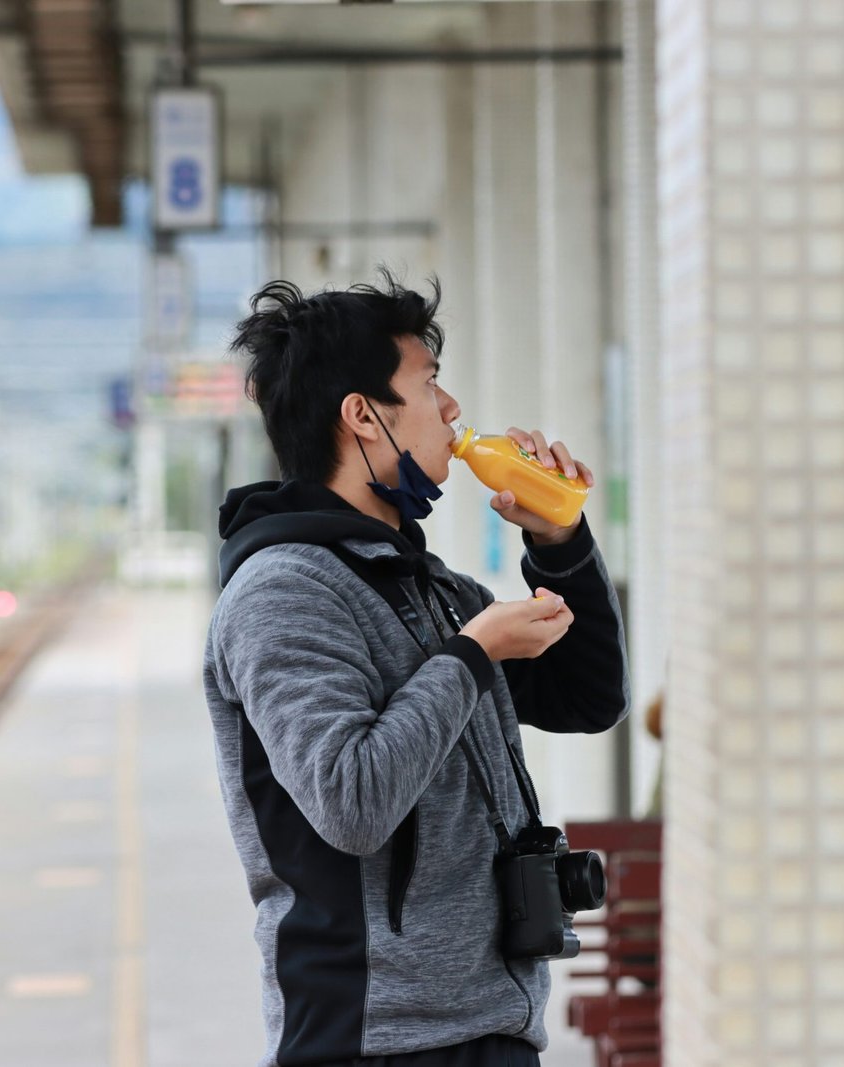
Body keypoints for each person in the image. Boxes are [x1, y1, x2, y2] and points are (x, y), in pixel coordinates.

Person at [204, 273, 629, 1067]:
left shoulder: (430, 589)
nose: (452, 409)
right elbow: (351, 799)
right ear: (363, 416)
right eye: (428, 385)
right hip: (376, 1041)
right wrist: (472, 653)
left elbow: (590, 695)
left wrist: (561, 542)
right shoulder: (282, 592)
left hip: (489, 1026)